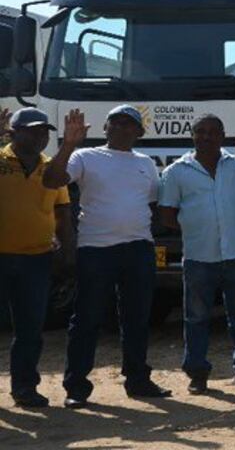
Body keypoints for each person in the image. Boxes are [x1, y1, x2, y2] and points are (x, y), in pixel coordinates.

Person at [42, 105, 170, 406]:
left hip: (138, 248)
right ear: (105, 128)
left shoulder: (146, 163)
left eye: (129, 124)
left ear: (139, 132)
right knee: (86, 318)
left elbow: (150, 201)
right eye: (115, 123)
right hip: (96, 249)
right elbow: (51, 180)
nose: (121, 128)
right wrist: (69, 144)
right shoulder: (85, 157)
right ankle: (76, 388)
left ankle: (138, 380)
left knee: (137, 318)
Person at [156, 115, 235, 394]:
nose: (206, 137)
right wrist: (197, 226)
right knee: (196, 318)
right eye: (201, 132)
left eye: (213, 132)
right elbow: (167, 215)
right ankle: (197, 373)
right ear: (193, 136)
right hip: (199, 256)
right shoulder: (176, 172)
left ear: (223, 136)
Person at [0, 108, 72, 408]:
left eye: (44, 131)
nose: (40, 136)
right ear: (12, 132)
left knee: (30, 329)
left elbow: (63, 214)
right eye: (32, 130)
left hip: (36, 260)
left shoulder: (50, 168)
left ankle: (24, 388)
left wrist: (69, 254)